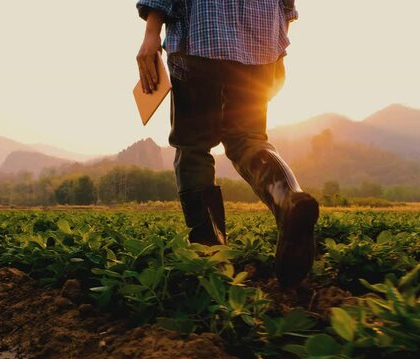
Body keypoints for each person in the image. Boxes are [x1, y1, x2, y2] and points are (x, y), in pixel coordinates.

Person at [135, 0, 318, 287]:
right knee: (248, 139)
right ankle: (289, 200)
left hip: (201, 36)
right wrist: (279, 49)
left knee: (193, 147)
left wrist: (151, 33)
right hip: (259, 40)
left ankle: (211, 253)